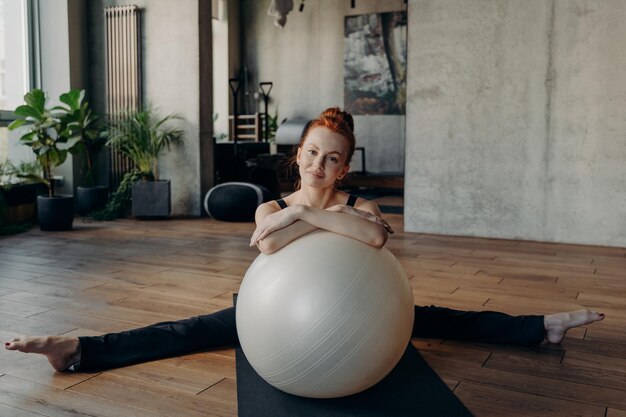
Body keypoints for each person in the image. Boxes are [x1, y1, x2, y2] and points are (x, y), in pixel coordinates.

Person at [4, 107, 604, 373]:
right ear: (300, 155)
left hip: (364, 313)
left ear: (343, 168)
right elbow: (268, 246)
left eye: (332, 159)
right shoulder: (272, 206)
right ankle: (77, 347)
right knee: (182, 332)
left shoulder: (351, 207)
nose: (319, 164)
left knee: (439, 318)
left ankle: (538, 326)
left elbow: (372, 241)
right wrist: (304, 219)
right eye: (312, 153)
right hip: (270, 316)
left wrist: (309, 219)